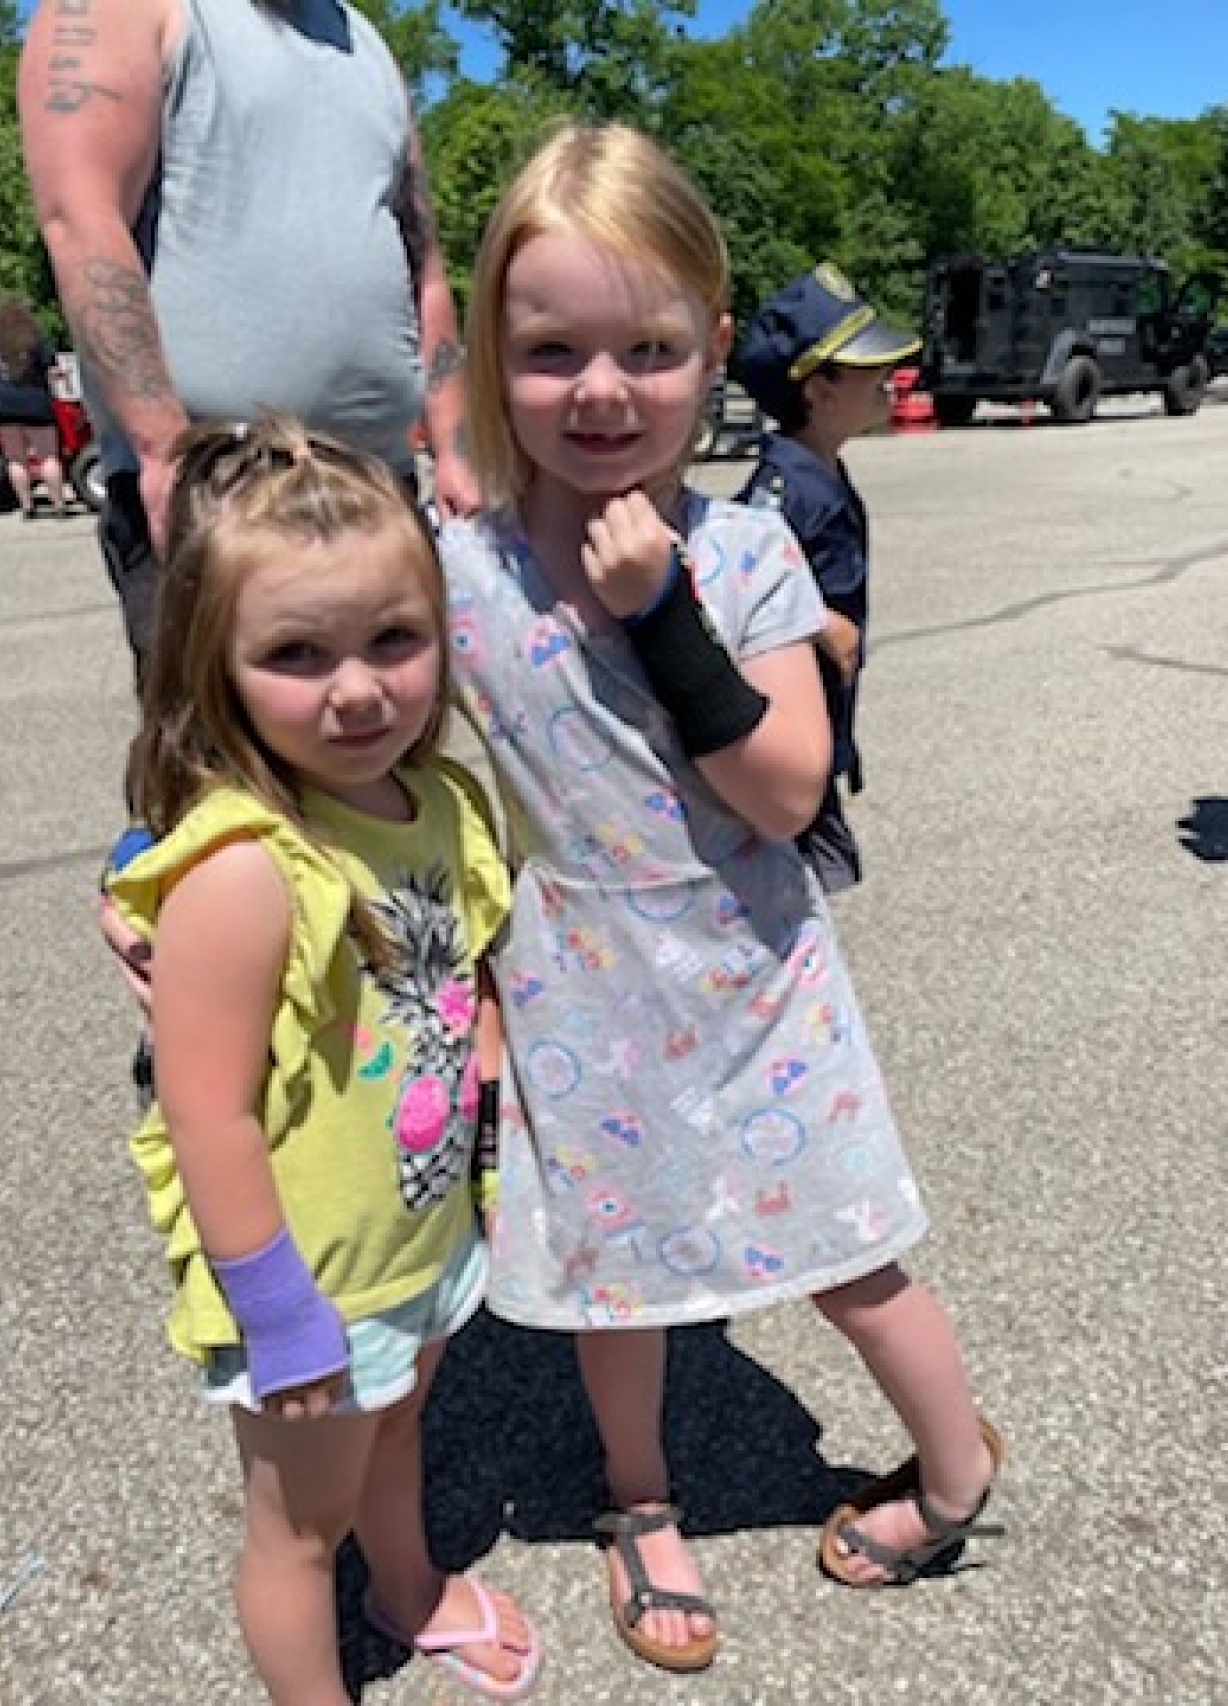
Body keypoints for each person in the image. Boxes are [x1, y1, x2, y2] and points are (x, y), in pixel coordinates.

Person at [438, 122, 1003, 1668]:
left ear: (708, 346)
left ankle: (954, 1469)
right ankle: (640, 1499)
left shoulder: (744, 550)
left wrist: (657, 611)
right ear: (494, 350)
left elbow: (784, 790)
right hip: (572, 977)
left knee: (848, 1248)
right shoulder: (457, 570)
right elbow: (334, 730)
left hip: (749, 975)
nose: (604, 390)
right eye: (553, 350)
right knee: (614, 1275)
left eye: (651, 346)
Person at [103, 415, 540, 1706]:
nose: (358, 690)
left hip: (413, 1233)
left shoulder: (439, 804)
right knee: (297, 1529)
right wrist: (279, 1314)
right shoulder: (245, 867)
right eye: (296, 654)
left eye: (393, 640)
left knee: (400, 1429)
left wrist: (489, 1161)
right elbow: (207, 1113)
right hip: (305, 1280)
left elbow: (469, 983)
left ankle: (407, 1592)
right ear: (216, 666)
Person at [18, 0, 478, 682]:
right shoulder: (124, 9)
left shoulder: (366, 44)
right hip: (220, 486)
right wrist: (161, 450)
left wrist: (455, 449)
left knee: (389, 760)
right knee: (226, 771)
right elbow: (81, 216)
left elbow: (425, 265)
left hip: (378, 484)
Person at [736, 264, 921, 893]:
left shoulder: (824, 475)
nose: (888, 383)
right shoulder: (784, 489)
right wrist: (816, 619)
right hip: (788, 726)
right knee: (795, 889)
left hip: (822, 723)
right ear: (819, 390)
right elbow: (733, 582)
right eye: (870, 371)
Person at [0, 298, 68, 520]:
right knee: (48, 457)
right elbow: (54, 370)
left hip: (4, 403)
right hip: (35, 401)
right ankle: (59, 506)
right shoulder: (36, 342)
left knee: (16, 459)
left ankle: (27, 507)